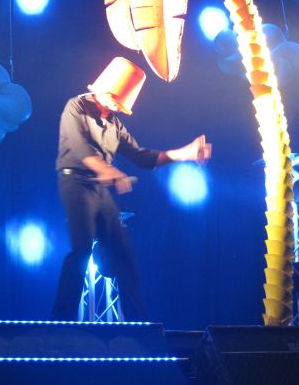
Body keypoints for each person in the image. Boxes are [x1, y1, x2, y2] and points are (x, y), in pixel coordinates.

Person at [52, 57, 211, 321]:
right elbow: (81, 150)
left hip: (99, 189)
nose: (116, 108)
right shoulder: (76, 107)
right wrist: (108, 171)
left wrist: (186, 153)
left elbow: (142, 157)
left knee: (123, 253)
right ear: (104, 90)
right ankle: (61, 322)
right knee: (81, 250)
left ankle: (138, 325)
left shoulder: (114, 124)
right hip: (75, 183)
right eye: (115, 101)